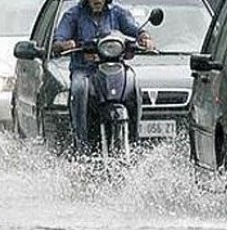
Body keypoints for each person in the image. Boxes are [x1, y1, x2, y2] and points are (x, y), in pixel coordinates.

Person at [52, 0, 154, 154]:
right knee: (79, 88)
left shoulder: (117, 12)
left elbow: (135, 29)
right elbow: (58, 40)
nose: (97, 0)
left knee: (134, 84)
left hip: (113, 70)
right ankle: (82, 142)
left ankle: (134, 138)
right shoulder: (73, 14)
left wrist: (144, 37)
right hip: (85, 71)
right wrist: (65, 45)